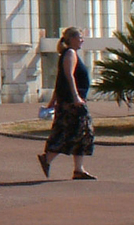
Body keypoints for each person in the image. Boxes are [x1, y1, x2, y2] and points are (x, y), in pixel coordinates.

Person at [38, 27, 96, 181]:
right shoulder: (70, 53)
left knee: (80, 133)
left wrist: (52, 101)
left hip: (70, 101)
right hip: (72, 103)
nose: (82, 40)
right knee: (75, 132)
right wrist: (76, 96)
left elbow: (59, 80)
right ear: (71, 39)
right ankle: (47, 158)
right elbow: (68, 76)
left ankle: (78, 170)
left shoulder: (71, 53)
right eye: (79, 37)